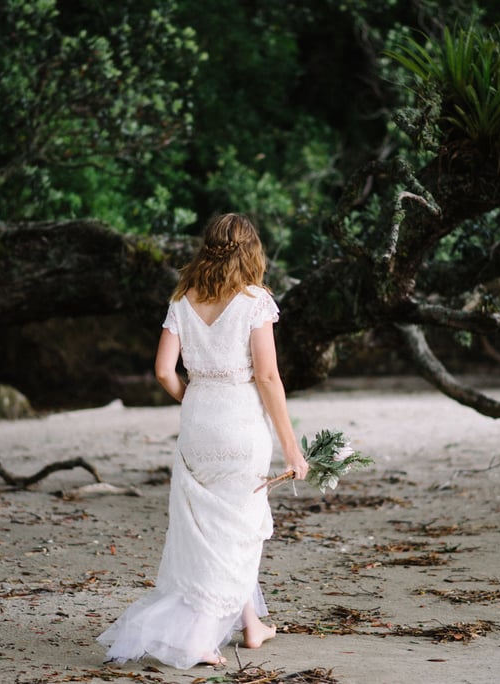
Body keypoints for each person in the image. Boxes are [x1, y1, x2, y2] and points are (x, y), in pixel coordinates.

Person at [96, 212, 309, 669]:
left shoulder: (182, 299)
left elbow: (161, 371)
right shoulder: (254, 300)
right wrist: (292, 446)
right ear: (250, 251)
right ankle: (199, 640)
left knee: (208, 530)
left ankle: (251, 625)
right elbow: (268, 376)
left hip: (198, 420)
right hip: (239, 420)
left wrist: (192, 399)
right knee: (242, 527)